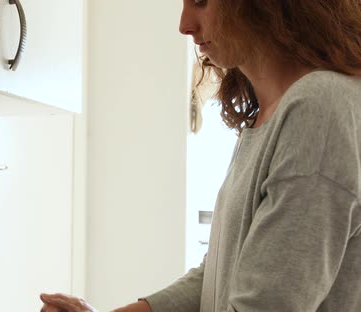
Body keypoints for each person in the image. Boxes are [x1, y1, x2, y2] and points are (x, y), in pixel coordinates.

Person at [40, 0, 361, 311]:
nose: (185, 26)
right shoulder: (270, 115)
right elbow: (221, 274)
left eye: (201, 1)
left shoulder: (320, 106)